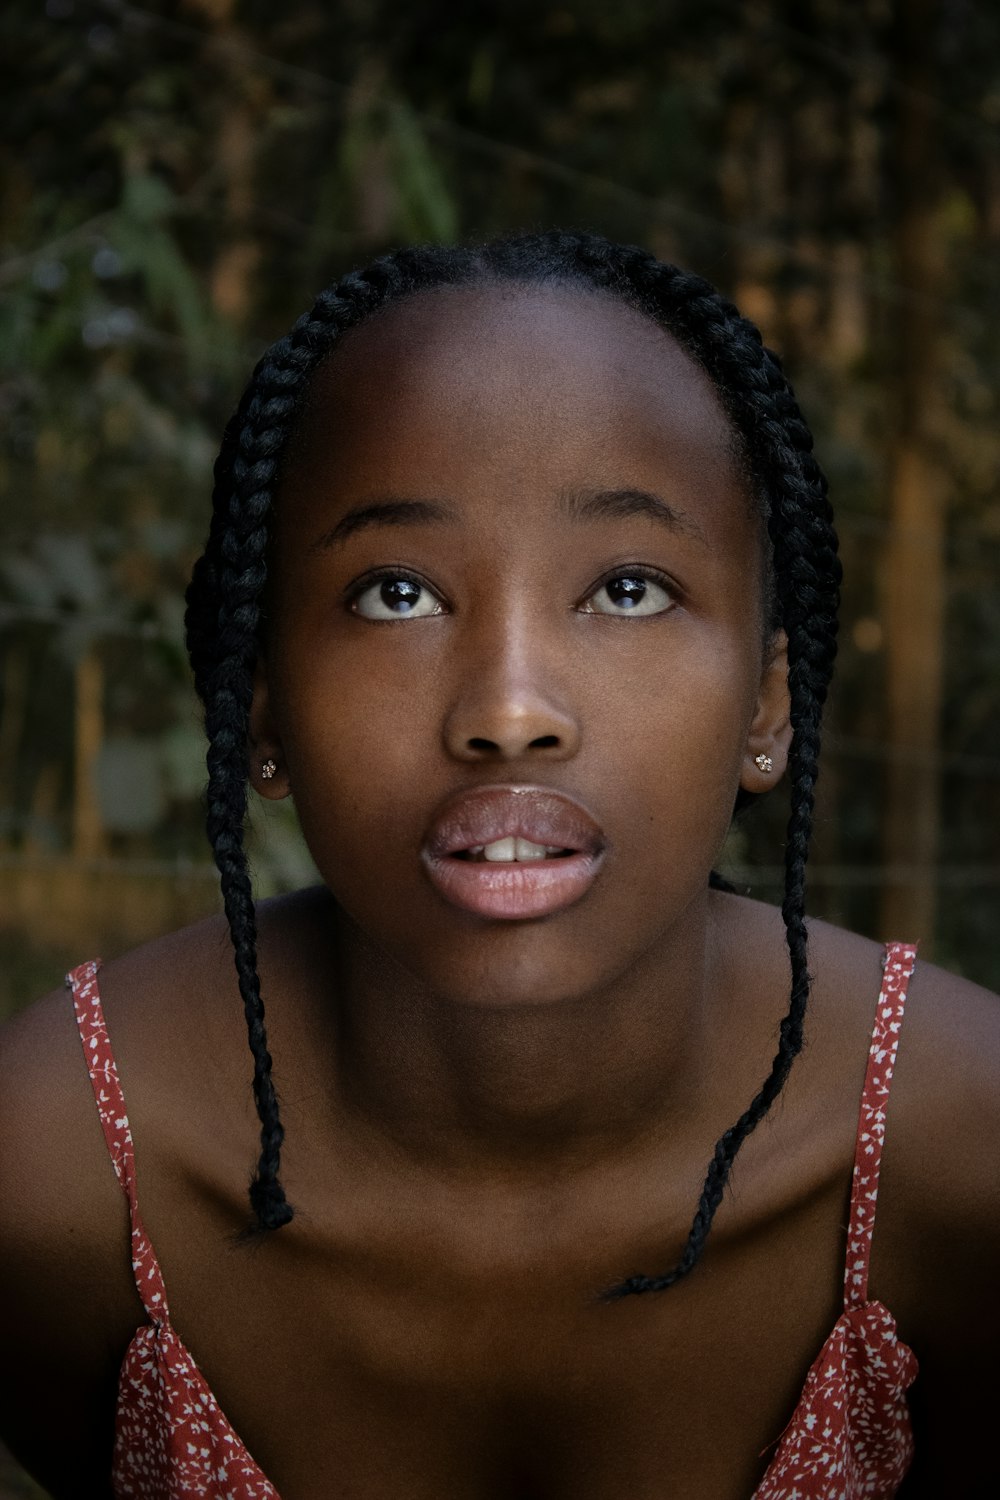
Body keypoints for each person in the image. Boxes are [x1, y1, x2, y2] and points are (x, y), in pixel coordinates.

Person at [1, 232, 997, 1499]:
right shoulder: (56, 1171)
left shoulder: (961, 1159)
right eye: (397, 594)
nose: (511, 709)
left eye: (628, 588)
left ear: (768, 702)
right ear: (257, 707)